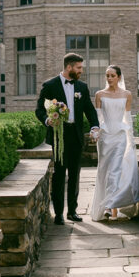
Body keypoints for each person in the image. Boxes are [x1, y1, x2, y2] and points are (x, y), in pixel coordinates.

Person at [36, 52, 100, 225]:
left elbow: (90, 109)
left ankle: (72, 211)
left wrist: (95, 126)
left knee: (74, 175)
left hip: (76, 136)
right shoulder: (50, 85)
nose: (81, 71)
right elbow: (39, 110)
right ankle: (58, 214)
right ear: (69, 67)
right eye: (78, 68)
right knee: (58, 175)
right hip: (59, 137)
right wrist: (47, 120)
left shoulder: (82, 87)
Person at [90, 64, 139, 221]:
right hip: (105, 138)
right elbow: (98, 119)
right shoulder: (99, 94)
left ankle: (109, 206)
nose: (109, 78)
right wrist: (96, 132)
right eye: (107, 75)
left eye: (112, 75)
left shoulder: (127, 94)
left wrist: (131, 140)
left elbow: (128, 118)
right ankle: (107, 206)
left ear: (119, 77)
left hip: (120, 137)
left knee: (115, 170)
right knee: (104, 171)